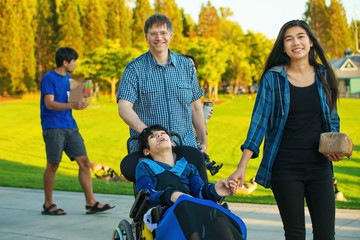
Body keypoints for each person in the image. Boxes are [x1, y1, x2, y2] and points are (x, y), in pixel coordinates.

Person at [228, 20, 348, 240]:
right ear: (283, 47)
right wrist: (241, 166)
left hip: (320, 167)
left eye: (301, 36)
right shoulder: (273, 79)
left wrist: (335, 148)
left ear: (310, 42)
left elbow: (333, 119)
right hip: (285, 168)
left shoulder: (323, 76)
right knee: (295, 234)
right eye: (289, 39)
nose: (296, 42)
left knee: (326, 234)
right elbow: (258, 124)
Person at [135, 124, 246, 240]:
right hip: (166, 215)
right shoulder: (144, 166)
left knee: (217, 213)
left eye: (162, 133)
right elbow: (146, 194)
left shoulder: (188, 168)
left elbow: (200, 192)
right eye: (152, 136)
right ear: (146, 151)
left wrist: (216, 190)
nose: (159, 135)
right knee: (184, 206)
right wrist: (171, 195)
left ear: (172, 143)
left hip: (193, 211)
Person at [117, 13, 207, 154]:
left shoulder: (186, 66)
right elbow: (124, 107)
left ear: (171, 35)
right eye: (153, 34)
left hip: (185, 146)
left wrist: (203, 142)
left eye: (163, 33)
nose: (159, 38)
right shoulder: (134, 69)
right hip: (150, 152)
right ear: (146, 37)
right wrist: (148, 134)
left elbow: (195, 107)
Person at [40, 47, 114, 215]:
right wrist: (73, 105)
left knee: (85, 163)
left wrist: (81, 102)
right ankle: (48, 204)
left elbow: (72, 101)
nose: (76, 64)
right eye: (74, 61)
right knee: (53, 165)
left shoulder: (69, 79)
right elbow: (50, 103)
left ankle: (91, 203)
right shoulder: (49, 78)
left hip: (70, 127)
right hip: (53, 127)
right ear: (65, 62)